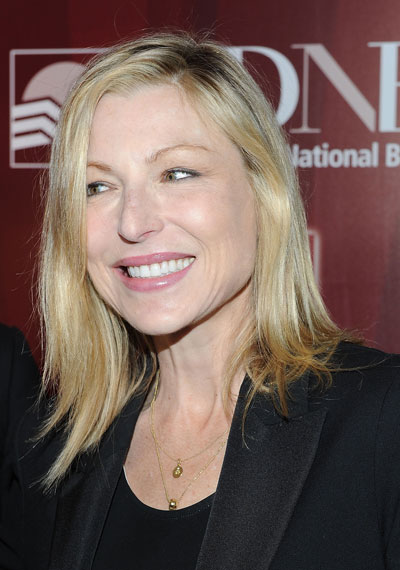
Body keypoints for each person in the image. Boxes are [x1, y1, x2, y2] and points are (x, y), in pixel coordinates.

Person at [1, 32, 399, 570]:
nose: (133, 222)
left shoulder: (383, 421)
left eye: (177, 173)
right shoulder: (58, 452)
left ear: (263, 192)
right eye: (97, 186)